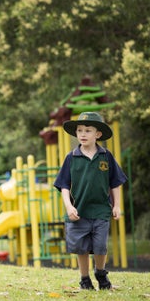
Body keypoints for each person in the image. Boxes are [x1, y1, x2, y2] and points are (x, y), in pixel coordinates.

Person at [53, 111, 127, 290]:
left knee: (100, 246)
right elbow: (63, 186)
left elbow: (115, 182)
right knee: (81, 248)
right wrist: (69, 207)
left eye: (87, 130)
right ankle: (84, 279)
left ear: (98, 134)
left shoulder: (106, 156)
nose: (83, 134)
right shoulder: (71, 158)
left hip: (101, 210)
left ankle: (101, 274)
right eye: (80, 130)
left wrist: (116, 205)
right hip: (79, 211)